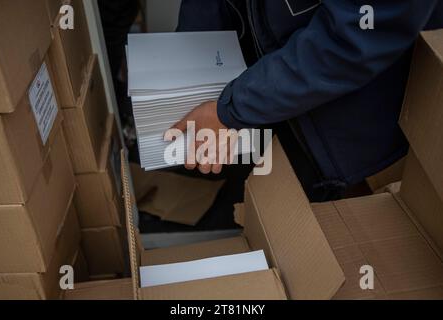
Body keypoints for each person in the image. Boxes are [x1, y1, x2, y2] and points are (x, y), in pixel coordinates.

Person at [168, 0, 443, 201]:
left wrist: (231, 109)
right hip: (268, 89)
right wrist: (198, 54)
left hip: (348, 121)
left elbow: (353, 40)